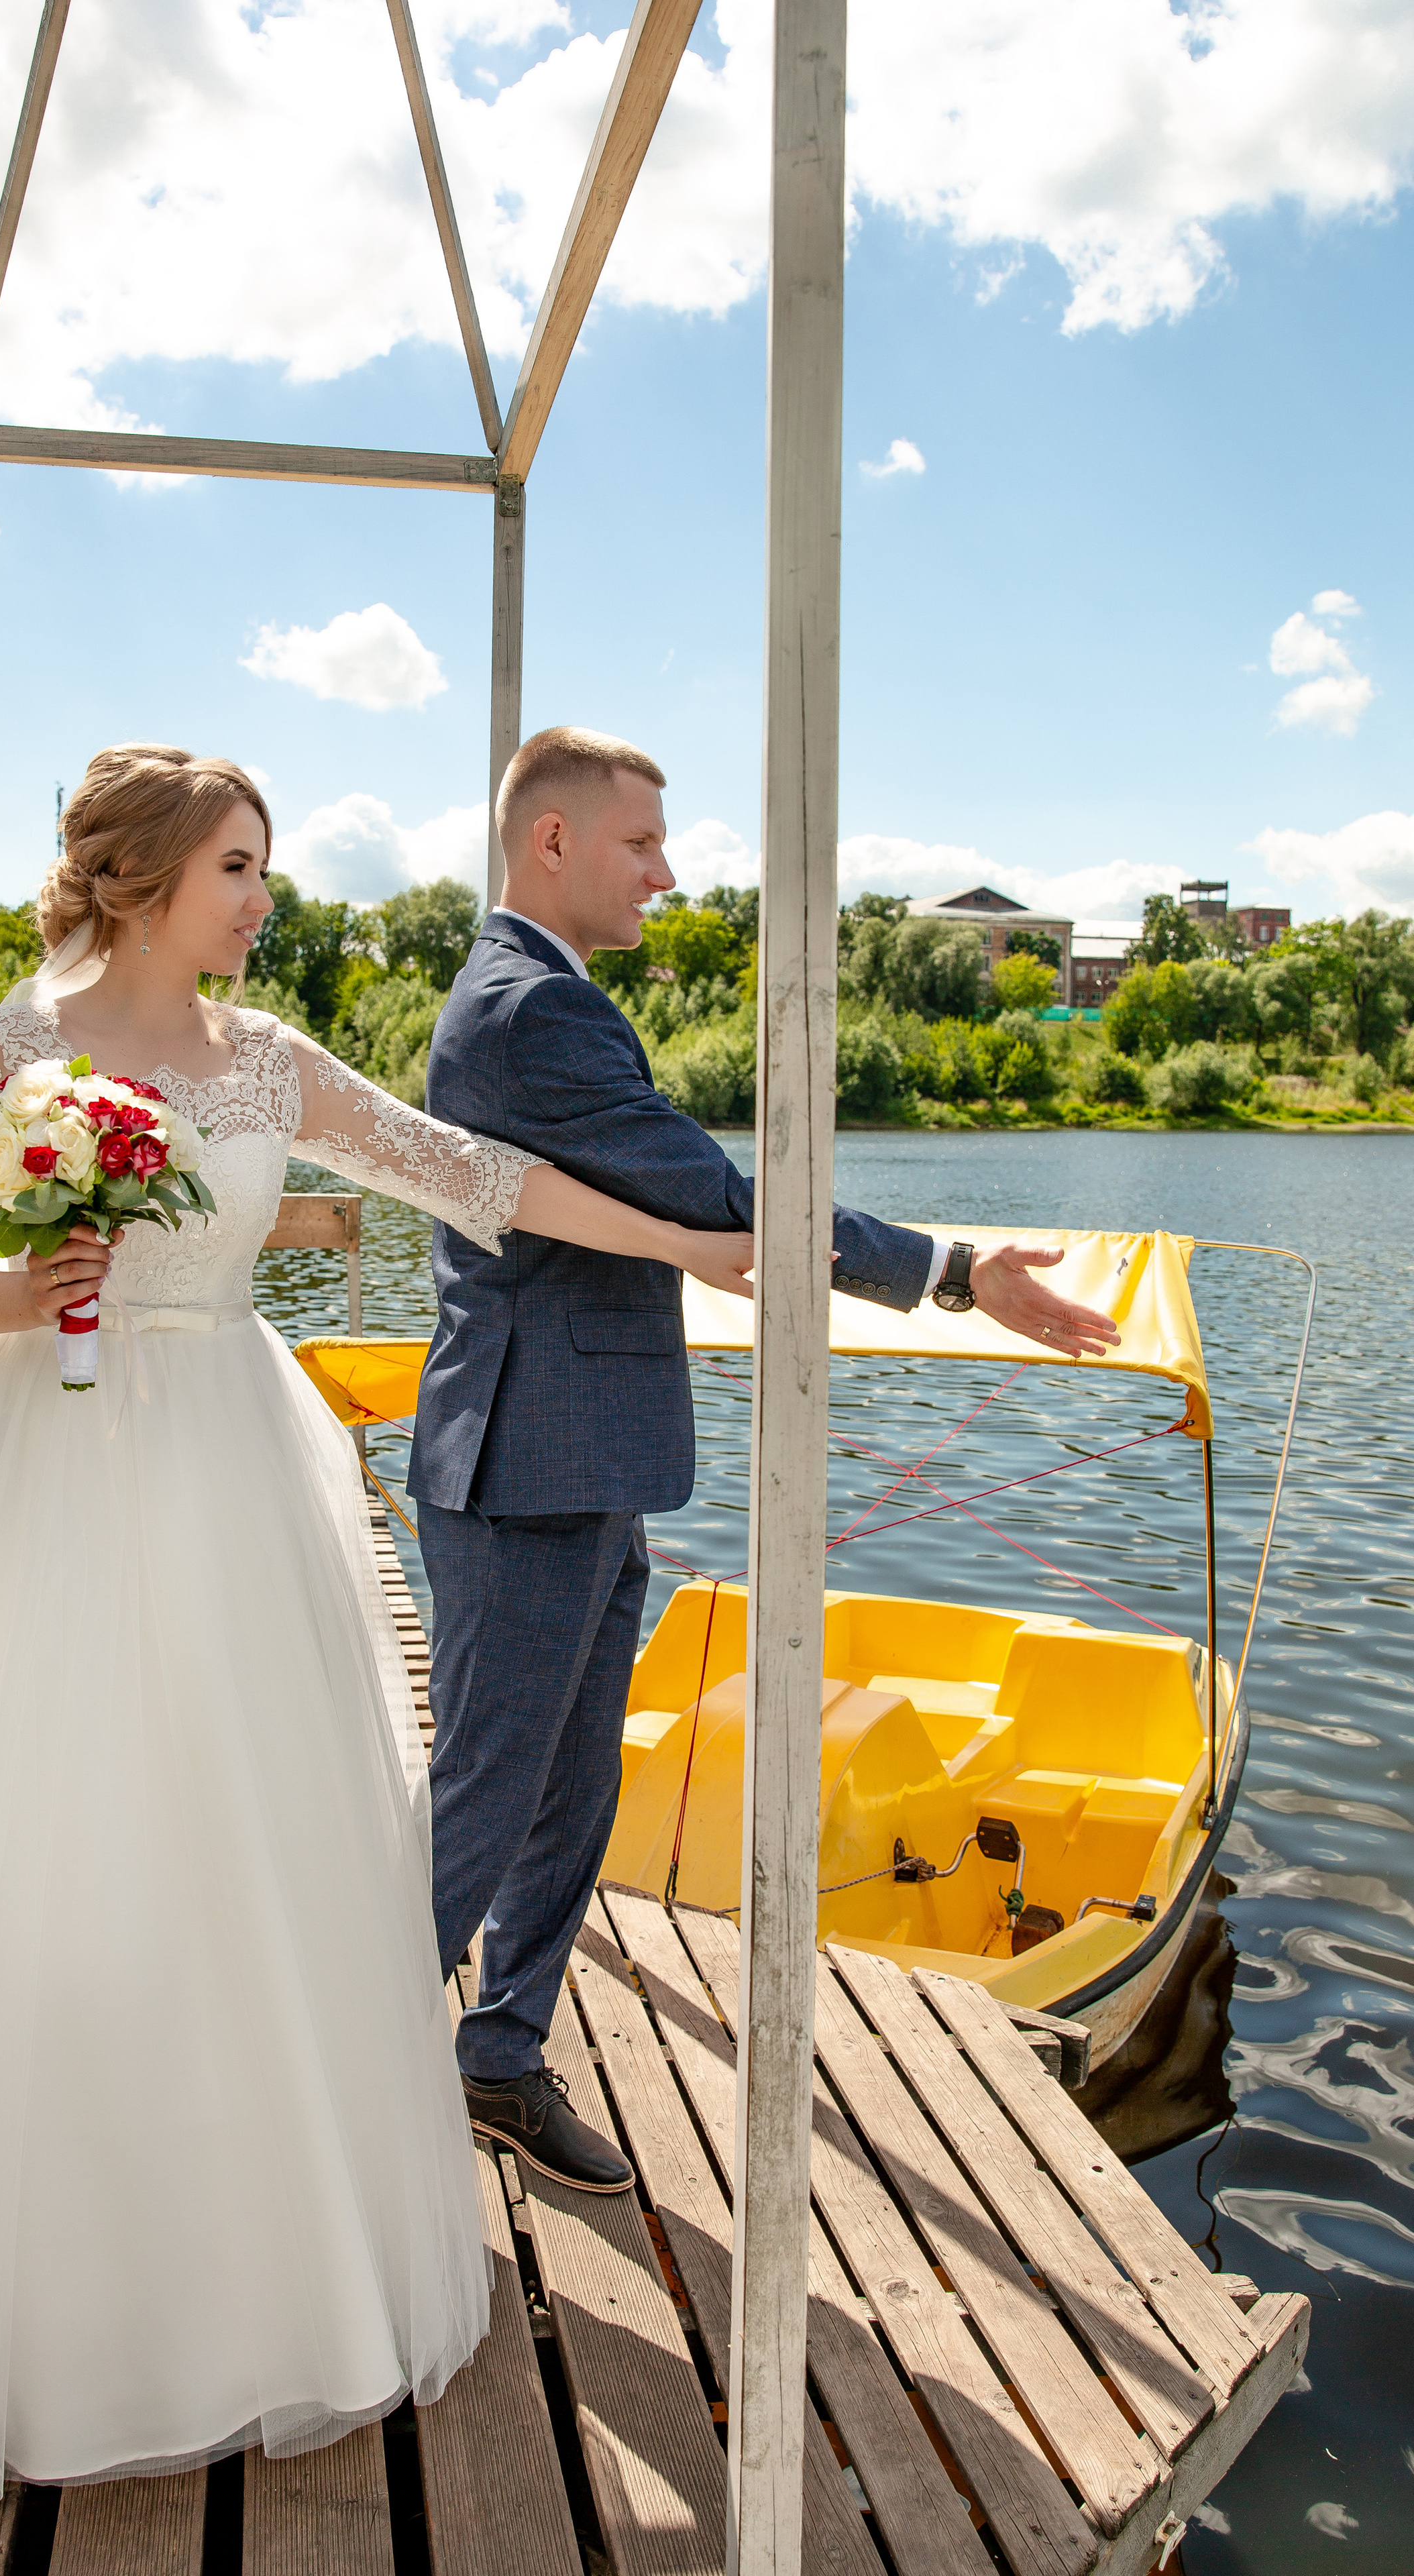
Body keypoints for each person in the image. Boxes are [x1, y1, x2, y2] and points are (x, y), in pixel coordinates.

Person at [0, 744, 757, 2534]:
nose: (263, 899)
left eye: (264, 868)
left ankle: (246, 2257)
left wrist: (691, 1237)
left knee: (244, 1857)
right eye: (238, 869)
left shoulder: (273, 1065)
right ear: (138, 880)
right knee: (50, 1850)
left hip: (231, 1480)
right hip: (54, 1478)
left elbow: (477, 1180)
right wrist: (17, 1292)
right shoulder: (22, 1049)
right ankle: (27, 2278)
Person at [412, 726, 1121, 2192]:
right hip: (525, 1465)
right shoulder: (528, 1011)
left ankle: (496, 2055)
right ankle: (336, 2078)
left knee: (570, 1791)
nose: (667, 874)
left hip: (580, 1457)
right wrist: (952, 1265)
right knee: (489, 1791)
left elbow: (692, 1211)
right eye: (640, 845)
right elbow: (711, 1194)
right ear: (549, 843)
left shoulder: (551, 997)